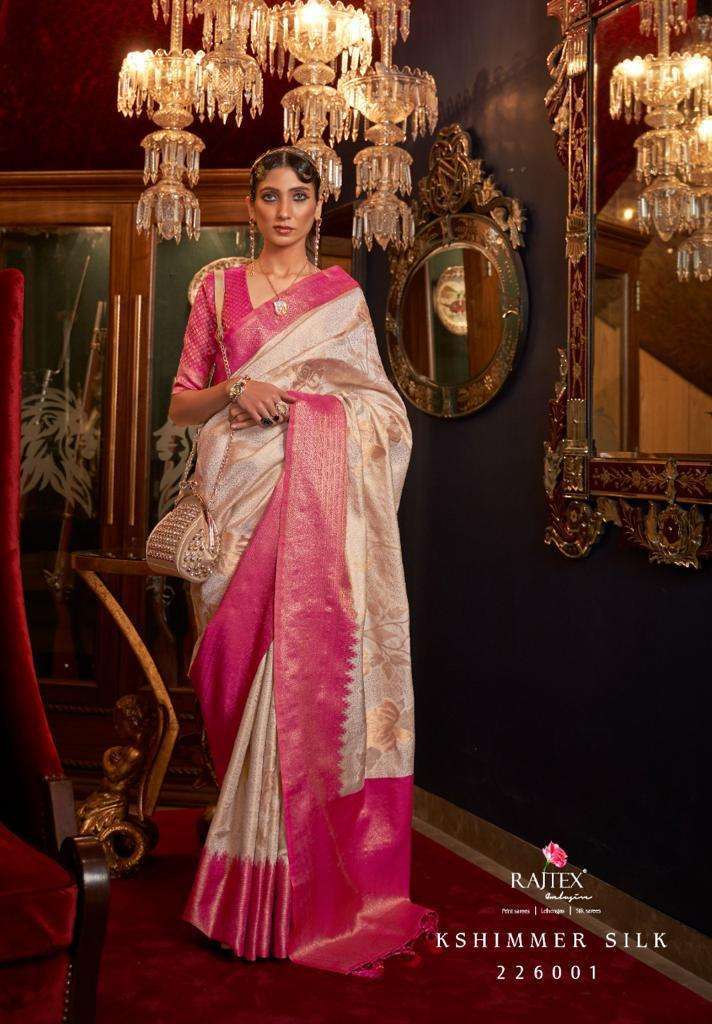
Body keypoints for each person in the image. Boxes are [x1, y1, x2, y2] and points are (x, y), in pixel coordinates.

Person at [168, 145, 438, 979]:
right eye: (270, 196)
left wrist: (312, 414)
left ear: (319, 208)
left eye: (299, 197)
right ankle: (249, 870)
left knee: (297, 685)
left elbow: (383, 414)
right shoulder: (216, 291)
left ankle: (294, 893)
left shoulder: (342, 300)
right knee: (234, 678)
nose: (284, 211)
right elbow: (180, 405)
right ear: (249, 206)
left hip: (312, 515)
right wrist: (234, 390)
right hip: (234, 509)